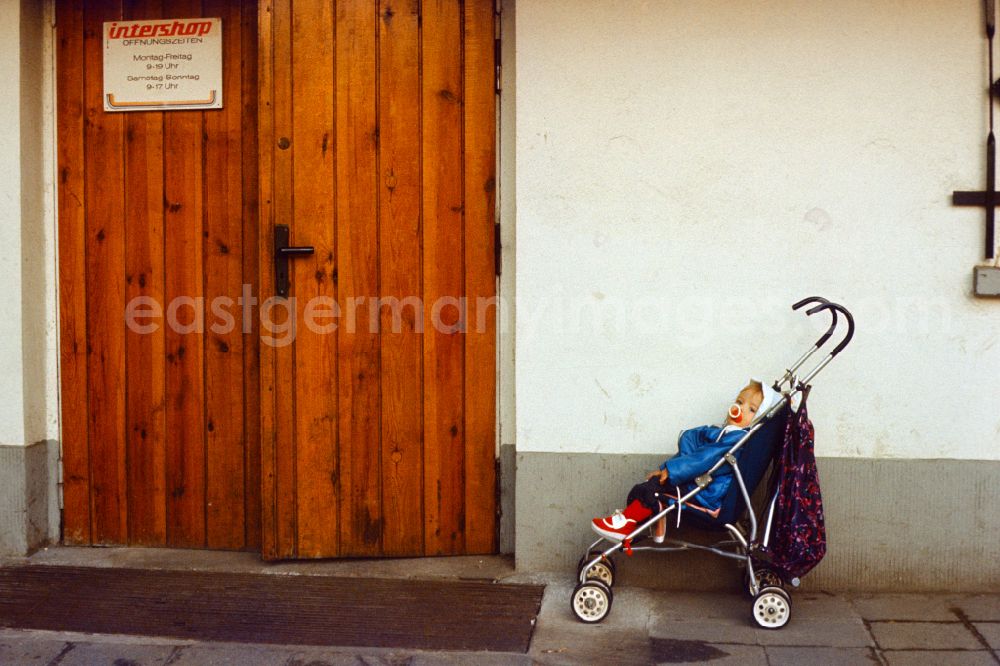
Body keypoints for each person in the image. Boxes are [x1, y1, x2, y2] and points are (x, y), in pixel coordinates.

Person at [592, 379, 779, 543]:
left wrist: (672, 472)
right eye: (739, 401)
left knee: (652, 490)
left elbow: (704, 459)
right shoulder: (725, 433)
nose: (740, 408)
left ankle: (626, 525)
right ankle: (633, 520)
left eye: (752, 409)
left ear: (758, 421)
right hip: (701, 487)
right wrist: (670, 467)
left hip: (707, 497)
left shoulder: (736, 441)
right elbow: (695, 445)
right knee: (655, 483)